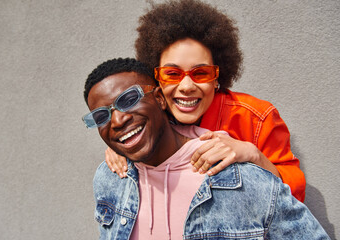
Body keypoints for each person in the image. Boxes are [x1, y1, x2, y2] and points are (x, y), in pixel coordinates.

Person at [82, 58, 329, 240]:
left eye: (128, 100)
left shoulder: (239, 179)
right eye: (101, 116)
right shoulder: (110, 178)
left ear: (159, 98)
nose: (117, 121)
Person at [105, 0, 306, 202]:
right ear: (156, 79)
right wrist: (123, 147)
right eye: (172, 73)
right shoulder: (152, 117)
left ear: (217, 78)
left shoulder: (256, 117)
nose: (186, 86)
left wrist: (254, 155)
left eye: (201, 73)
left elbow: (295, 196)